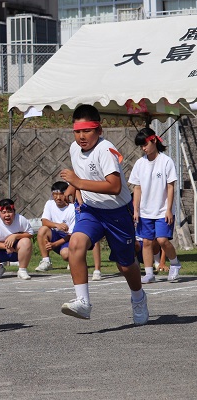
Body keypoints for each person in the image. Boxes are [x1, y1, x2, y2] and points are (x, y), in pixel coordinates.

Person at [59, 104, 148, 325]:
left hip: (118, 213)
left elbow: (115, 186)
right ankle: (83, 302)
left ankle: (139, 298)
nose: (81, 136)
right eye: (77, 131)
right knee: (75, 245)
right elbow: (81, 175)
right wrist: (73, 188)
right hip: (92, 211)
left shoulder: (106, 150)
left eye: (87, 131)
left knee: (125, 264)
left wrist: (77, 182)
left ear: (99, 130)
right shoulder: (73, 149)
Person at [129, 127, 182, 284]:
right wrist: (136, 209)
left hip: (162, 211)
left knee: (162, 241)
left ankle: (175, 264)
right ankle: (149, 273)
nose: (143, 148)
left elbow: (171, 187)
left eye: (145, 144)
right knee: (146, 242)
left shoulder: (166, 161)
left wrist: (169, 210)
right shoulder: (140, 163)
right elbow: (137, 188)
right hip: (145, 211)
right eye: (141, 146)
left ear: (153, 141)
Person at [0, 199, 34, 280]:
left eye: (10, 211)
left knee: (26, 241)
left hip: (16, 250)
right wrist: (5, 246)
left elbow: (30, 233)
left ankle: (22, 270)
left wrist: (15, 236)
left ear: (14, 212)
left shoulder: (21, 219)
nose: (7, 215)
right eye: (4, 212)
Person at [35, 181, 75, 273]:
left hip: (69, 239)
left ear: (67, 194)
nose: (57, 197)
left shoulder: (72, 208)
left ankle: (73, 260)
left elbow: (71, 235)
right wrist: (57, 225)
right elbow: (44, 221)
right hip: (56, 234)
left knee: (65, 255)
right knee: (43, 230)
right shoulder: (50, 203)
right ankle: (46, 261)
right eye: (55, 194)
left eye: (61, 194)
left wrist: (54, 244)